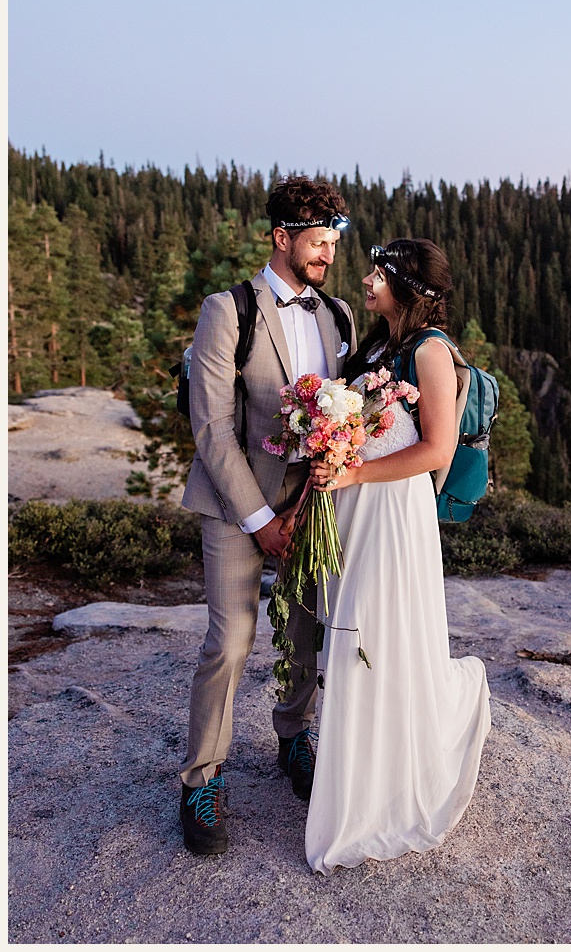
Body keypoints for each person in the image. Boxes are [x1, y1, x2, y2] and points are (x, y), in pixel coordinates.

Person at [175, 177, 357, 857]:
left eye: (333, 244)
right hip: (234, 504)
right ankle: (201, 777)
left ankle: (292, 737)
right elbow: (212, 427)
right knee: (230, 642)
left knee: (307, 631)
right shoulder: (228, 310)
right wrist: (258, 519)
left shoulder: (337, 313)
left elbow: (345, 411)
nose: (326, 257)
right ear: (280, 237)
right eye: (316, 243)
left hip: (312, 506)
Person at [301, 238, 492, 873]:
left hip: (392, 512)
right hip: (359, 508)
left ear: (407, 286)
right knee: (356, 634)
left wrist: (353, 475)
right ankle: (359, 766)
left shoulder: (430, 351)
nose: (364, 279)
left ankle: (381, 791)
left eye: (378, 273)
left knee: (375, 633)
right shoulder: (377, 345)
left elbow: (437, 450)